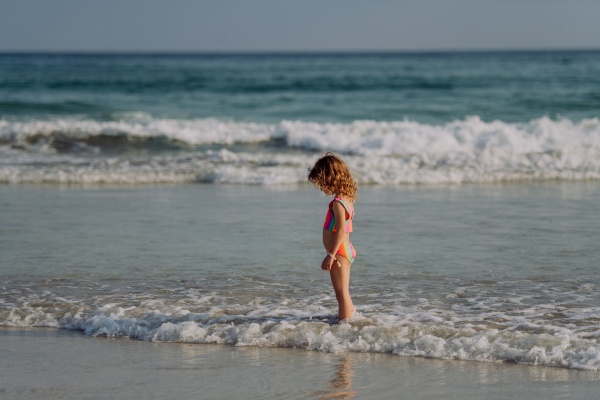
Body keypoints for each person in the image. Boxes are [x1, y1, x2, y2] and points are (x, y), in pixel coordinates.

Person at [308, 152, 357, 322]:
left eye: (322, 182)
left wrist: (330, 255)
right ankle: (350, 320)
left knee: (341, 294)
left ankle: (344, 328)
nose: (321, 186)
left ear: (330, 178)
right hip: (345, 250)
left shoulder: (338, 203)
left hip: (339, 251)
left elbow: (341, 230)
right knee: (343, 292)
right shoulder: (347, 198)